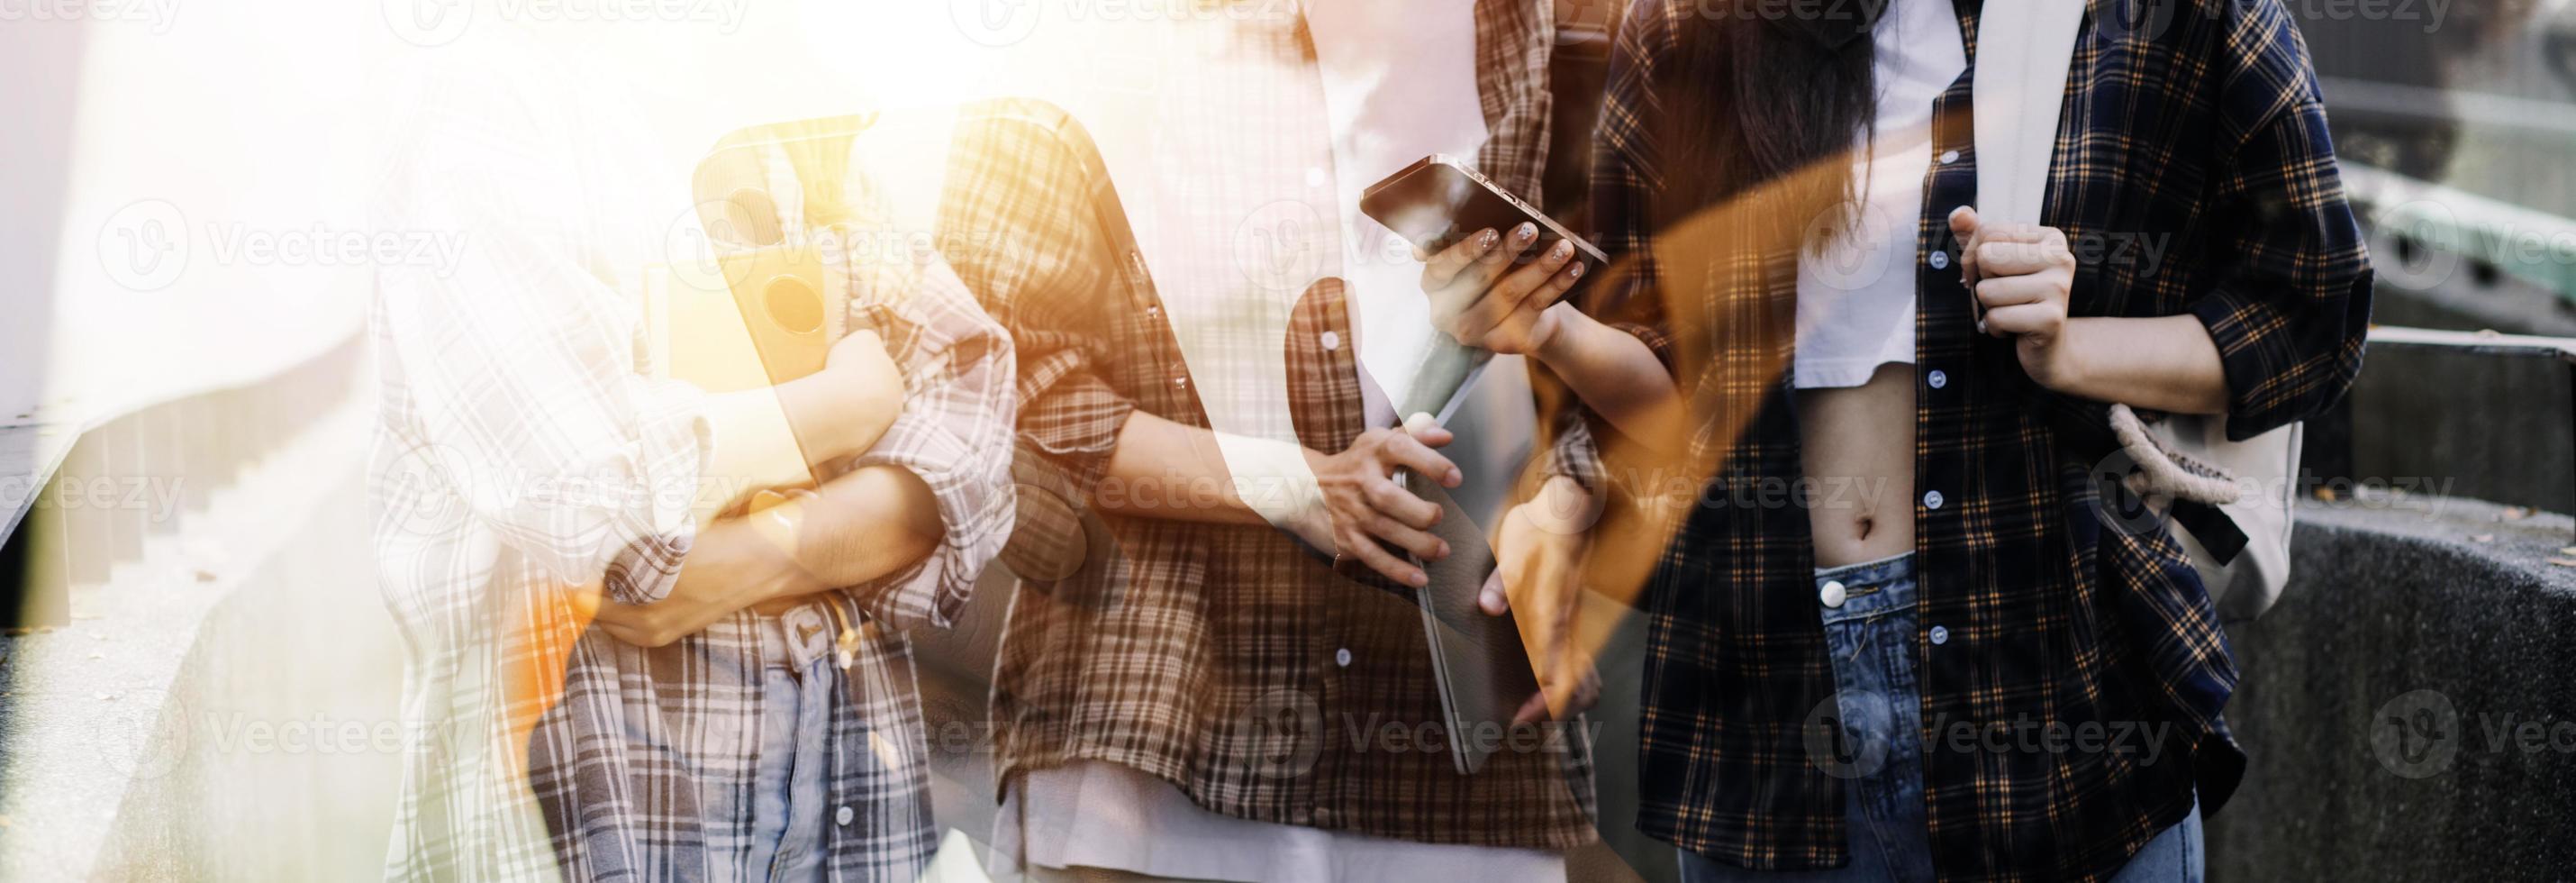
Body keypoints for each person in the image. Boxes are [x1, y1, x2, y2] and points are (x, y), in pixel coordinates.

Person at [1435, 0, 2372, 879]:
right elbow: (1678, 390)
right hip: (1768, 706)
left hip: (2056, 683)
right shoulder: (1692, 25)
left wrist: (2072, 346)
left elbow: (2309, 309)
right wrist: (1545, 326)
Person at [939, 1, 1597, 880]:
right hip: (1162, 724)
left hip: (1460, 739)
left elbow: (1628, 322)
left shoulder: (1523, 22)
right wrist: (1287, 483)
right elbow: (1005, 372)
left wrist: (1568, 503)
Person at [368, 44, 1016, 881]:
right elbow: (591, 503)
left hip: (847, 803)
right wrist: (848, 407)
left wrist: (757, 552)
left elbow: (975, 415)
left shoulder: (778, 97)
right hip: (607, 807)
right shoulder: (489, 95)